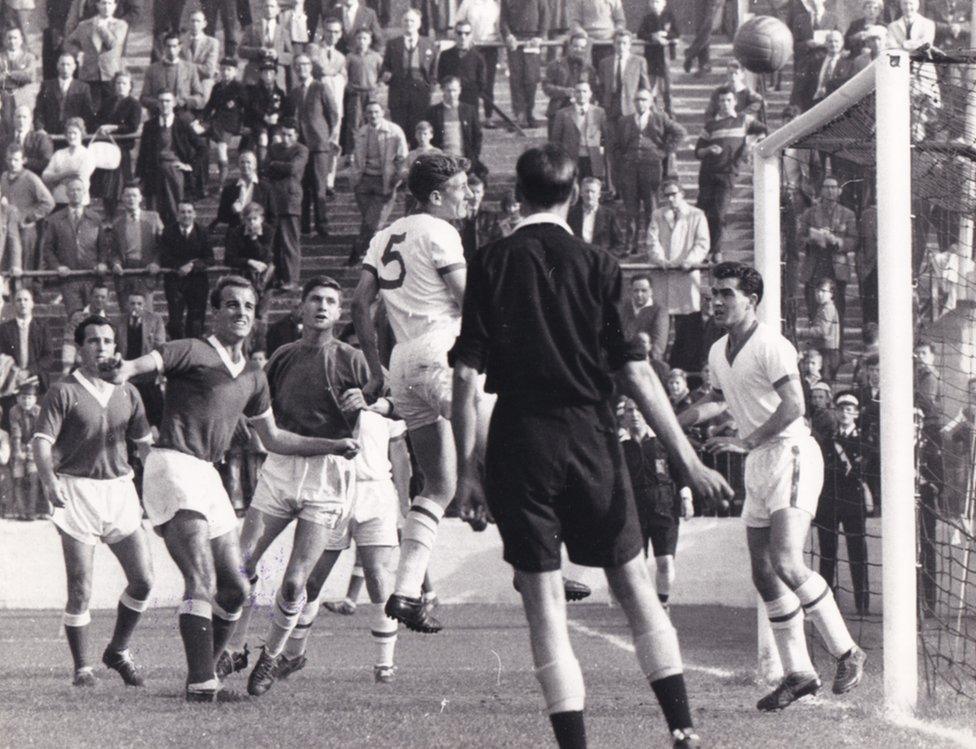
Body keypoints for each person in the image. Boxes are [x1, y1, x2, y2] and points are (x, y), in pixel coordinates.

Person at [450, 144, 731, 749]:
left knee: (544, 597)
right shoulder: (601, 264)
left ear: (515, 196)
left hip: (520, 437)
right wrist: (686, 457)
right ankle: (682, 726)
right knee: (631, 582)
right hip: (591, 435)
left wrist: (467, 471)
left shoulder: (490, 261)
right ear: (574, 195)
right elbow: (636, 372)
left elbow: (466, 378)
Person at [103, 275, 360, 703]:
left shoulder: (256, 376)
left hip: (208, 475)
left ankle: (210, 668)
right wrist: (123, 368)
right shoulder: (193, 349)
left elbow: (274, 440)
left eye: (247, 306)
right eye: (231, 305)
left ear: (255, 316)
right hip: (173, 465)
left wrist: (332, 445)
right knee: (200, 579)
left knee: (237, 587)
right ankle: (201, 681)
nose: (240, 312)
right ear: (215, 312)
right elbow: (145, 363)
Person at [678, 261, 866, 711]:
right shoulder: (719, 350)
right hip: (760, 461)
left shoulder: (771, 345)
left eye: (726, 293)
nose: (717, 300)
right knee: (764, 574)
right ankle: (799, 673)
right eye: (714, 292)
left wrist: (746, 440)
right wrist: (672, 419)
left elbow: (795, 405)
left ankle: (847, 651)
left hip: (791, 453)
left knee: (785, 560)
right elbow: (718, 400)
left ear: (752, 300)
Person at [224, 276, 374, 695]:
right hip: (282, 464)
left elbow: (391, 398)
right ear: (301, 308)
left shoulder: (353, 359)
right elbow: (254, 403)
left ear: (339, 312)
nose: (322, 307)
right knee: (241, 564)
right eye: (314, 299)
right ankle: (235, 647)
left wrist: (369, 401)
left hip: (328, 474)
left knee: (296, 584)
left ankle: (271, 656)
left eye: (330, 301)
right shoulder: (283, 357)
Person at [351, 153, 475, 634]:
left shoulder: (385, 236)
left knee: (438, 486)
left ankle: (405, 592)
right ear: (437, 196)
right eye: (461, 188)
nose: (467, 195)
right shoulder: (440, 231)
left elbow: (360, 302)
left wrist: (374, 367)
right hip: (441, 351)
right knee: (510, 441)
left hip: (401, 363)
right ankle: (541, 564)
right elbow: (469, 302)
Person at [33, 314, 155, 688]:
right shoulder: (64, 390)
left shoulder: (128, 391)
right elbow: (41, 441)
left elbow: (144, 444)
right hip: (78, 491)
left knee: (144, 581)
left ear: (115, 348)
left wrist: (156, 484)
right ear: (80, 347)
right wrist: (48, 479)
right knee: (81, 586)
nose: (101, 347)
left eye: (107, 340)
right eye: (93, 341)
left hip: (119, 489)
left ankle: (118, 649)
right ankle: (82, 669)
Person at [619, 396, 693, 610]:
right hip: (633, 512)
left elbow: (680, 471)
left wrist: (686, 498)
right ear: (624, 415)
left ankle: (662, 604)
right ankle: (643, 607)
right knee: (636, 565)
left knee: (666, 562)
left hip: (665, 509)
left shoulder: (662, 440)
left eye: (638, 410)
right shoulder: (619, 445)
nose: (634, 415)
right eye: (629, 411)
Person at [816, 391, 872, 615]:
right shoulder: (827, 440)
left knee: (857, 553)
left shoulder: (863, 441)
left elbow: (862, 469)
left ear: (856, 413)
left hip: (852, 501)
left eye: (849, 409)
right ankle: (825, 603)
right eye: (841, 409)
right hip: (829, 501)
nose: (845, 413)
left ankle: (862, 604)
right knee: (827, 554)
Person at [695, 87, 766, 260]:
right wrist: (709, 149)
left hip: (727, 173)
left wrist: (750, 144)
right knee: (703, 212)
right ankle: (705, 249)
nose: (725, 104)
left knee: (719, 213)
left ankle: (716, 250)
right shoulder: (711, 125)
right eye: (722, 101)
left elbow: (764, 130)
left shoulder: (744, 120)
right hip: (707, 173)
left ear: (735, 102)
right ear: (718, 103)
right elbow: (697, 152)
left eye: (728, 100)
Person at [645, 180, 710, 371]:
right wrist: (660, 260)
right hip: (663, 275)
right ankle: (659, 368)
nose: (670, 198)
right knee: (660, 325)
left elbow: (702, 242)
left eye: (674, 194)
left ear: (682, 194)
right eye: (667, 195)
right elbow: (652, 241)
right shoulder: (658, 215)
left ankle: (686, 372)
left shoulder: (696, 215)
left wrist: (690, 260)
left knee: (688, 326)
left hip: (685, 276)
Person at [614, 88, 685, 253]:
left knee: (651, 207)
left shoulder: (659, 118)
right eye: (638, 100)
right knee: (630, 208)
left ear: (650, 102)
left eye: (644, 99)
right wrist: (623, 158)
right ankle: (630, 245)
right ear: (633, 102)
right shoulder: (624, 121)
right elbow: (616, 145)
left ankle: (651, 245)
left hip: (651, 168)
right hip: (629, 168)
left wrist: (663, 152)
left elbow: (680, 132)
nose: (641, 103)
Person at [347, 100, 408, 266]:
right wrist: (354, 179)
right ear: (366, 115)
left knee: (373, 222)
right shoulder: (362, 132)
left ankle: (357, 252)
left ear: (382, 113)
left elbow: (403, 157)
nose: (373, 115)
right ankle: (374, 258)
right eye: (369, 112)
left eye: (376, 112)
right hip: (364, 182)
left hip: (385, 182)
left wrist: (396, 179)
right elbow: (356, 158)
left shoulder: (394, 131)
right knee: (370, 221)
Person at [287, 54, 339, 241]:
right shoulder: (293, 92)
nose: (302, 68)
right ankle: (304, 227)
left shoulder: (320, 87)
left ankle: (322, 226)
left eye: (305, 64)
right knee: (302, 187)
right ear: (294, 68)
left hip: (318, 145)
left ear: (310, 67)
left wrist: (326, 136)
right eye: (298, 65)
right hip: (300, 146)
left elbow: (333, 114)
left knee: (319, 187)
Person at [136, 91, 207, 226]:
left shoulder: (182, 124)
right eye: (161, 101)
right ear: (157, 104)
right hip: (154, 172)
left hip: (174, 173)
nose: (164, 104)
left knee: (175, 209)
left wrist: (189, 165)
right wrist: (139, 175)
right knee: (154, 212)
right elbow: (143, 153)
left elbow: (202, 147)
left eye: (168, 101)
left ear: (174, 103)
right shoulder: (149, 125)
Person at [798, 175, 856, 333]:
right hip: (815, 266)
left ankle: (838, 350)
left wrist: (837, 241)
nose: (830, 191)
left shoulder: (847, 214)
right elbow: (799, 238)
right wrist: (813, 239)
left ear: (839, 191)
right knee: (814, 311)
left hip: (836, 269)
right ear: (821, 191)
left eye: (833, 187)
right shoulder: (809, 213)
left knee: (838, 313)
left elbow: (853, 241)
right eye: (826, 187)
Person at [40, 176, 104, 318]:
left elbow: (102, 246)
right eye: (72, 190)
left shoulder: (95, 218)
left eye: (79, 189)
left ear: (84, 192)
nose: (75, 193)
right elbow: (48, 248)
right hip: (68, 278)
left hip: (91, 276)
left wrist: (101, 263)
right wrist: (57, 267)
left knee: (94, 317)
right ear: (67, 193)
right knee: (75, 317)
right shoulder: (55, 219)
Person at [381, 9, 439, 149]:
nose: (409, 23)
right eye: (406, 20)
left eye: (412, 20)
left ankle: (417, 162)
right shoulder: (393, 44)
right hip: (398, 92)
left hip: (420, 93)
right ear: (401, 23)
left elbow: (434, 70)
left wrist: (430, 86)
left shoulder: (429, 43)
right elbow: (385, 67)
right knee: (399, 130)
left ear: (419, 23)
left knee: (418, 129)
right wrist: (386, 74)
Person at [263, 118, 308, 291]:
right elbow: (264, 166)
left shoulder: (301, 149)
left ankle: (292, 279)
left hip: (290, 198)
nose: (286, 138)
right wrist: (273, 165)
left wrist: (275, 164)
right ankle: (278, 277)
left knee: (289, 241)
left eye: (290, 135)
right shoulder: (274, 148)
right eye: (284, 134)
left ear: (296, 135)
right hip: (273, 197)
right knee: (275, 242)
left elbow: (293, 169)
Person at [100, 182, 163, 302]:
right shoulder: (117, 222)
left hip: (146, 270)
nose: (131, 199)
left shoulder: (153, 218)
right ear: (122, 198)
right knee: (126, 314)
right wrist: (115, 264)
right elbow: (113, 250)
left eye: (134, 195)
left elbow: (161, 246)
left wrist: (156, 263)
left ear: (140, 198)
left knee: (145, 313)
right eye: (127, 195)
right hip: (125, 272)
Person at [159, 201, 214, 339]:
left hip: (197, 282)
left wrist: (192, 266)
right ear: (177, 215)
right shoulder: (168, 232)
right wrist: (179, 266)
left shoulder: (202, 232)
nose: (186, 215)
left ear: (194, 214)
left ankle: (193, 352)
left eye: (189, 212)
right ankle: (178, 350)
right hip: (175, 282)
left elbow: (209, 258)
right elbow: (164, 257)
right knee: (175, 322)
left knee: (196, 322)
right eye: (182, 212)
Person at [306, 18, 346, 196]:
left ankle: (329, 180)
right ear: (323, 31)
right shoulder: (314, 49)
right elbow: (320, 68)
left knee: (333, 142)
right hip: (316, 105)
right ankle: (315, 179)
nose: (333, 35)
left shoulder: (341, 57)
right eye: (329, 31)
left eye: (337, 32)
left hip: (335, 105)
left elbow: (343, 77)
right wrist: (334, 73)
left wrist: (335, 74)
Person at [114, 291, 167, 427]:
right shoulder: (119, 321)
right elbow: (115, 346)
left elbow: (160, 345)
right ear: (127, 305)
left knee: (155, 409)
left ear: (144, 305)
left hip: (147, 371)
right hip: (127, 372)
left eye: (139, 304)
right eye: (132, 303)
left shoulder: (155, 320)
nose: (135, 307)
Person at [64, 0, 128, 110]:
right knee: (90, 109)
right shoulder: (85, 25)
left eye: (110, 4)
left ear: (115, 6)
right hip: (89, 74)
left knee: (110, 109)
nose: (106, 7)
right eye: (103, 3)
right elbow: (68, 43)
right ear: (97, 5)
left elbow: (113, 44)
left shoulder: (120, 25)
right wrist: (77, 53)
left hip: (110, 75)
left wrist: (102, 27)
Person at [94, 72, 141, 215]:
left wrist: (114, 128)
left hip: (122, 148)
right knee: (106, 186)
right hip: (106, 147)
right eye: (118, 83)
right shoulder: (108, 102)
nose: (120, 86)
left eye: (124, 83)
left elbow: (132, 126)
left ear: (130, 87)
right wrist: (100, 127)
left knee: (119, 185)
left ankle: (124, 215)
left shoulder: (134, 104)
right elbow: (98, 119)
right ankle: (109, 215)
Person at [499, 0, 548, 129]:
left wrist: (540, 36)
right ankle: (520, 114)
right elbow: (503, 20)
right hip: (515, 41)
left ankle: (530, 112)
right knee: (516, 79)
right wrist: (508, 36)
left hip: (532, 40)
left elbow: (545, 16)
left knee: (531, 79)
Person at [202, 58, 248, 187]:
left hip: (232, 122)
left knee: (222, 147)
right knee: (197, 135)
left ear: (235, 72)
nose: (225, 72)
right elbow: (210, 105)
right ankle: (202, 175)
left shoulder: (238, 87)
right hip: (216, 121)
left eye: (229, 70)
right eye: (223, 69)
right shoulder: (217, 87)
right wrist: (201, 120)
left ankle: (222, 182)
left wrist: (244, 123)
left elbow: (246, 105)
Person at [551, 80, 609, 182]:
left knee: (592, 188)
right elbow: (555, 140)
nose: (581, 94)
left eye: (584, 91)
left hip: (593, 159)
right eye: (578, 91)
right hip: (571, 159)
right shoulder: (563, 114)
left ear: (590, 94)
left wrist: (601, 149)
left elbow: (606, 136)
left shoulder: (599, 112)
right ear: (573, 94)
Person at [455, 0, 502, 126]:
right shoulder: (467, 3)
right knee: (471, 82)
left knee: (488, 82)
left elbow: (499, 25)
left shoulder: (493, 4)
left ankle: (488, 116)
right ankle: (470, 116)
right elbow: (458, 22)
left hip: (490, 47)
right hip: (473, 47)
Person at [542, 32, 597, 139]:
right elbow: (546, 87)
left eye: (582, 47)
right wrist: (564, 91)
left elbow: (594, 92)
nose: (578, 50)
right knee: (555, 148)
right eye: (575, 46)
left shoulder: (589, 69)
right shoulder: (555, 65)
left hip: (580, 113)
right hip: (558, 110)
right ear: (569, 47)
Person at [426, 77, 483, 175]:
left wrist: (473, 159)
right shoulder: (433, 112)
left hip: (464, 161)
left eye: (454, 90)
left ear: (460, 90)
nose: (452, 94)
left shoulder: (469, 110)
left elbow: (477, 136)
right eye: (448, 90)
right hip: (442, 163)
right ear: (442, 90)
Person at [341, 27, 383, 159]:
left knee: (371, 120)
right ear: (355, 40)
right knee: (354, 123)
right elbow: (344, 75)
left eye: (365, 38)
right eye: (359, 38)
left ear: (369, 40)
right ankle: (352, 154)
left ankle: (372, 152)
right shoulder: (350, 57)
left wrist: (378, 85)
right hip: (355, 94)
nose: (362, 41)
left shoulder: (376, 56)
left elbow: (382, 73)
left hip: (370, 93)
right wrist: (348, 86)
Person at [139, 32, 207, 115]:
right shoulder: (152, 69)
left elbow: (199, 97)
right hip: (159, 114)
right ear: (164, 48)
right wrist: (160, 103)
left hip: (182, 114)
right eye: (168, 46)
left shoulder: (190, 68)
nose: (171, 50)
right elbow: (144, 97)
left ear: (180, 47)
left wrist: (184, 102)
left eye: (174, 46)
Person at [214, 150, 277, 233]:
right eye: (242, 162)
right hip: (237, 236)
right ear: (239, 165)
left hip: (260, 235)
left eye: (248, 162)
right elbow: (221, 217)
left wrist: (265, 234)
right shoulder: (229, 189)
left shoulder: (266, 188)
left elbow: (273, 217)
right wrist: (232, 210)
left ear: (255, 165)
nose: (245, 165)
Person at [34, 53, 96, 135]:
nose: (65, 68)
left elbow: (87, 113)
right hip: (50, 132)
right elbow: (39, 110)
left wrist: (81, 130)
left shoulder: (83, 88)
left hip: (73, 133)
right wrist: (40, 129)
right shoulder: (47, 86)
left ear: (74, 67)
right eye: (62, 64)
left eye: (68, 65)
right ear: (57, 66)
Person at [239, 0, 295, 90]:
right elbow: (241, 51)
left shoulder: (284, 31)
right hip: (254, 75)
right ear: (262, 9)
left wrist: (277, 55)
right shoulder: (251, 28)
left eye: (272, 7)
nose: (269, 9)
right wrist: (258, 51)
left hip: (276, 76)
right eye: (266, 6)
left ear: (278, 10)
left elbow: (291, 56)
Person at [437, 20, 488, 117]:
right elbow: (441, 77)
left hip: (470, 99)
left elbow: (482, 82)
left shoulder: (478, 57)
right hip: (450, 97)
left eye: (467, 33)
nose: (463, 37)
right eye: (459, 33)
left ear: (471, 35)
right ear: (454, 34)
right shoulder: (445, 55)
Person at [41, 117, 96, 205]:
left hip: (80, 202)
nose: (71, 136)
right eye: (69, 133)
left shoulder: (88, 155)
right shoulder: (59, 154)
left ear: (81, 134)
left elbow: (79, 177)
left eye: (75, 133)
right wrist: (66, 174)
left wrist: (57, 178)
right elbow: (45, 176)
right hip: (59, 200)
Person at [636, 0, 679, 114]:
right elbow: (640, 33)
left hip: (665, 57)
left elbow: (676, 33)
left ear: (664, 3)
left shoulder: (669, 17)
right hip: (651, 56)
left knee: (666, 85)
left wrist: (666, 35)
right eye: (653, 2)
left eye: (658, 2)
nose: (656, 5)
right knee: (651, 84)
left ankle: (669, 111)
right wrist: (653, 36)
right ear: (650, 4)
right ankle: (652, 110)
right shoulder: (647, 18)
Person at [566, 176, 624, 256]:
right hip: (578, 261)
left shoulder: (609, 215)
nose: (589, 195)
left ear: (599, 194)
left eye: (593, 192)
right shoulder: (572, 215)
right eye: (587, 191)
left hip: (600, 262)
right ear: (581, 193)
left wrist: (605, 258)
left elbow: (619, 244)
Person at [798, 278, 841, 380]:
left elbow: (822, 331)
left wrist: (800, 332)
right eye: (817, 291)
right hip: (824, 350)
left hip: (827, 352)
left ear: (831, 294)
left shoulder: (828, 308)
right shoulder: (823, 307)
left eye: (823, 291)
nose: (819, 294)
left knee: (823, 380)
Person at [622, 274, 669, 362]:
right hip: (623, 359)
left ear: (651, 291)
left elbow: (659, 345)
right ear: (630, 291)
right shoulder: (622, 308)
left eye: (644, 290)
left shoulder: (659, 310)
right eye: (636, 290)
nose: (639, 294)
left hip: (648, 361)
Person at [10, 382, 41, 519]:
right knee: (18, 479)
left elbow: (39, 431)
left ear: (35, 399)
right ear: (18, 399)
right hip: (19, 446)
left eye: (29, 398)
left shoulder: (39, 411)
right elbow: (16, 432)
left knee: (34, 478)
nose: (26, 401)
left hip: (35, 447)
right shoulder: (14, 411)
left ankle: (31, 511)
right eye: (23, 397)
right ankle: (22, 511)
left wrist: (31, 447)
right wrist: (18, 451)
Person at [567, 0, 626, 68]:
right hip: (586, 42)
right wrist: (581, 34)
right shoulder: (579, 1)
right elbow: (574, 21)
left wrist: (615, 32)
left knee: (608, 69)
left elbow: (620, 21)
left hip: (609, 42)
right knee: (586, 70)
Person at [703, 59, 764, 124]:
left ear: (742, 75)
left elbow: (759, 102)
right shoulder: (719, 91)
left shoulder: (747, 92)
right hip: (722, 124)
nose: (733, 77)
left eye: (736, 73)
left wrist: (741, 115)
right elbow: (710, 111)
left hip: (741, 125)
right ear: (727, 74)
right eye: (730, 73)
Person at [2, 105, 54, 177]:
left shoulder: (41, 139)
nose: (21, 120)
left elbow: (47, 162)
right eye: (18, 117)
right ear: (13, 119)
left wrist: (27, 161)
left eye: (24, 117)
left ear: (31, 119)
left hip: (31, 180)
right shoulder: (4, 140)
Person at [180, 10, 220, 104]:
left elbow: (209, 70)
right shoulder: (180, 41)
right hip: (184, 80)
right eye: (192, 21)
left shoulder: (212, 43)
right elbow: (178, 67)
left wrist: (187, 66)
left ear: (204, 24)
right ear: (188, 23)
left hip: (203, 80)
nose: (195, 24)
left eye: (198, 21)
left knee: (203, 98)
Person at [0, 27, 37, 103]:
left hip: (24, 97)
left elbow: (30, 76)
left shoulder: (29, 57)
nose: (12, 41)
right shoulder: (1, 57)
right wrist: (20, 74)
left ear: (21, 39)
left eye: (15, 38)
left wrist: (9, 74)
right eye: (9, 38)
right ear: (4, 41)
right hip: (3, 97)